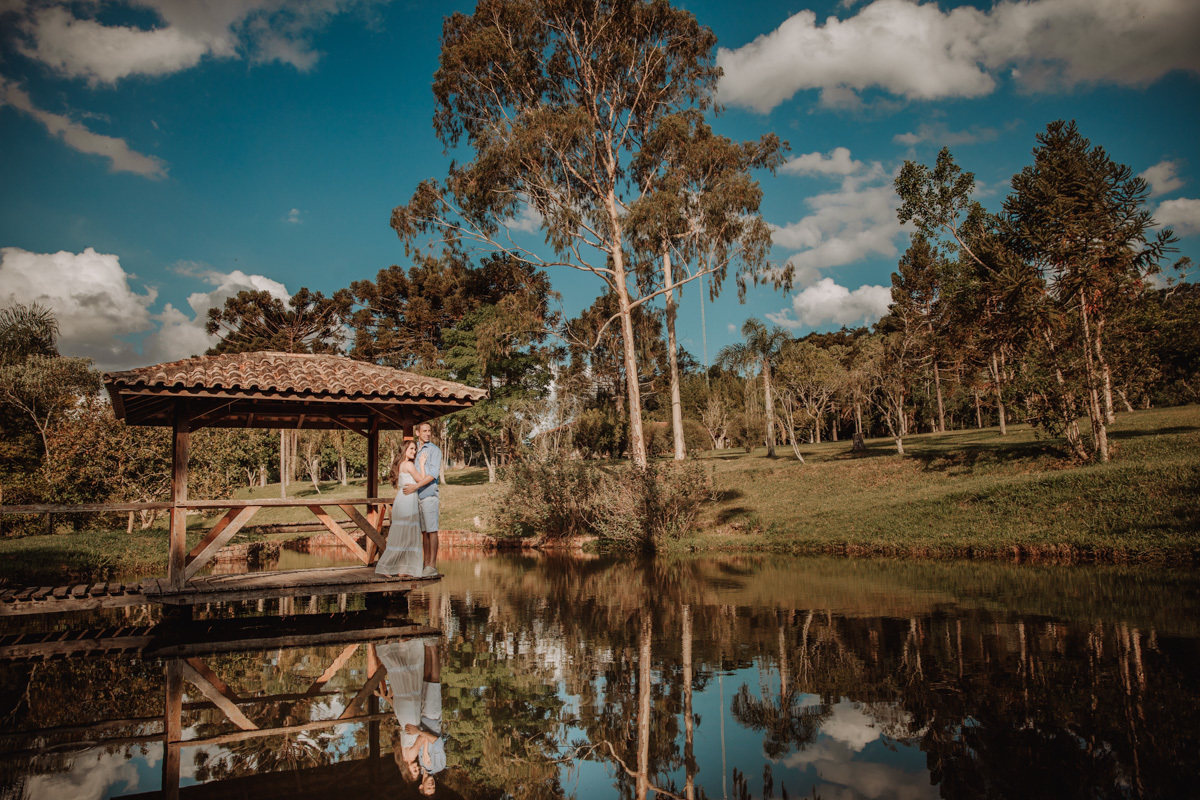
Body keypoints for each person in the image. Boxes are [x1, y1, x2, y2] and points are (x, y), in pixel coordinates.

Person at [377, 638, 445, 796]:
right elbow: (433, 739)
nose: (416, 769)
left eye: (413, 771)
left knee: (429, 680)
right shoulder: (427, 763)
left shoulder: (413, 756)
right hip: (420, 716)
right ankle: (423, 645)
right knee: (425, 679)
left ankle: (428, 646)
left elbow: (423, 738)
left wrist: (423, 743)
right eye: (416, 772)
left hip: (418, 716)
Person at [376, 441, 426, 578]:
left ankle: (403, 569)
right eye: (411, 449)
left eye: (415, 449)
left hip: (403, 500)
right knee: (404, 537)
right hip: (407, 502)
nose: (414, 452)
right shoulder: (409, 465)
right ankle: (385, 566)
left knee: (405, 535)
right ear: (404, 449)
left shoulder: (400, 465)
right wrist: (422, 464)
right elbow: (421, 480)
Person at [403, 421, 441, 577]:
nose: (427, 433)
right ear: (417, 433)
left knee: (432, 531)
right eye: (424, 431)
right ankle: (425, 564)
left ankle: (432, 565)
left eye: (429, 431)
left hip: (429, 496)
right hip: (415, 498)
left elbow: (432, 475)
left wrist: (415, 487)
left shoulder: (434, 450)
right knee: (424, 532)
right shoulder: (414, 450)